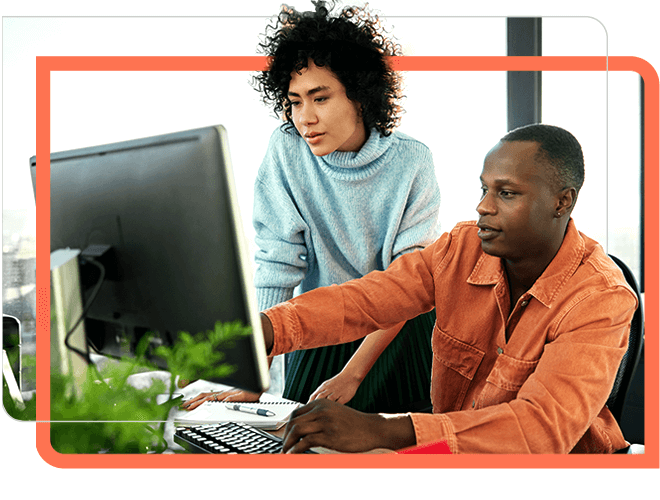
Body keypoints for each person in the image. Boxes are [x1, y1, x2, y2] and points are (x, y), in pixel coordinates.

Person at [259, 123, 638, 454]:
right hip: (456, 458)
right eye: (484, 189)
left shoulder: (601, 297)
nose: (482, 207)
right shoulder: (461, 248)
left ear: (562, 202)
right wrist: (267, 330)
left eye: (506, 193)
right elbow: (367, 299)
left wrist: (384, 429)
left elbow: (540, 430)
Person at [182, 0, 440, 413]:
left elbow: (407, 284)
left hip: (399, 331)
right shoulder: (286, 150)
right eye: (295, 101)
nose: (305, 118)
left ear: (359, 94)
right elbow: (277, 264)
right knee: (301, 434)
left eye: (320, 98)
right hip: (321, 323)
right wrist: (256, 378)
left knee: (397, 445)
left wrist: (353, 374)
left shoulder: (412, 161)